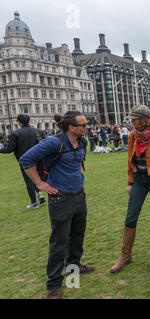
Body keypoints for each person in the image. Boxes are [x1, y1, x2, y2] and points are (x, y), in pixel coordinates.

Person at [19, 111, 94, 299]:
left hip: (79, 195)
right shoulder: (54, 142)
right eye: (83, 125)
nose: (87, 128)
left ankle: (73, 267)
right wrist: (40, 183)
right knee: (59, 241)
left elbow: (76, 164)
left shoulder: (83, 141)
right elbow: (26, 160)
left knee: (77, 235)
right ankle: (53, 283)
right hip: (60, 199)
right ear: (71, 127)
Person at [110, 105, 150, 274]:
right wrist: (130, 182)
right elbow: (130, 160)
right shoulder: (131, 136)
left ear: (143, 120)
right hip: (139, 180)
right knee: (131, 215)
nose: (132, 122)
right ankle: (125, 255)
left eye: (134, 119)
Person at [1, 114, 46, 209]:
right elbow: (45, 145)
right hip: (38, 159)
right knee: (39, 177)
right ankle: (41, 193)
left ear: (19, 122)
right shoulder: (38, 131)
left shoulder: (15, 133)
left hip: (25, 160)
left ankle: (34, 202)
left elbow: (9, 149)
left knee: (29, 180)